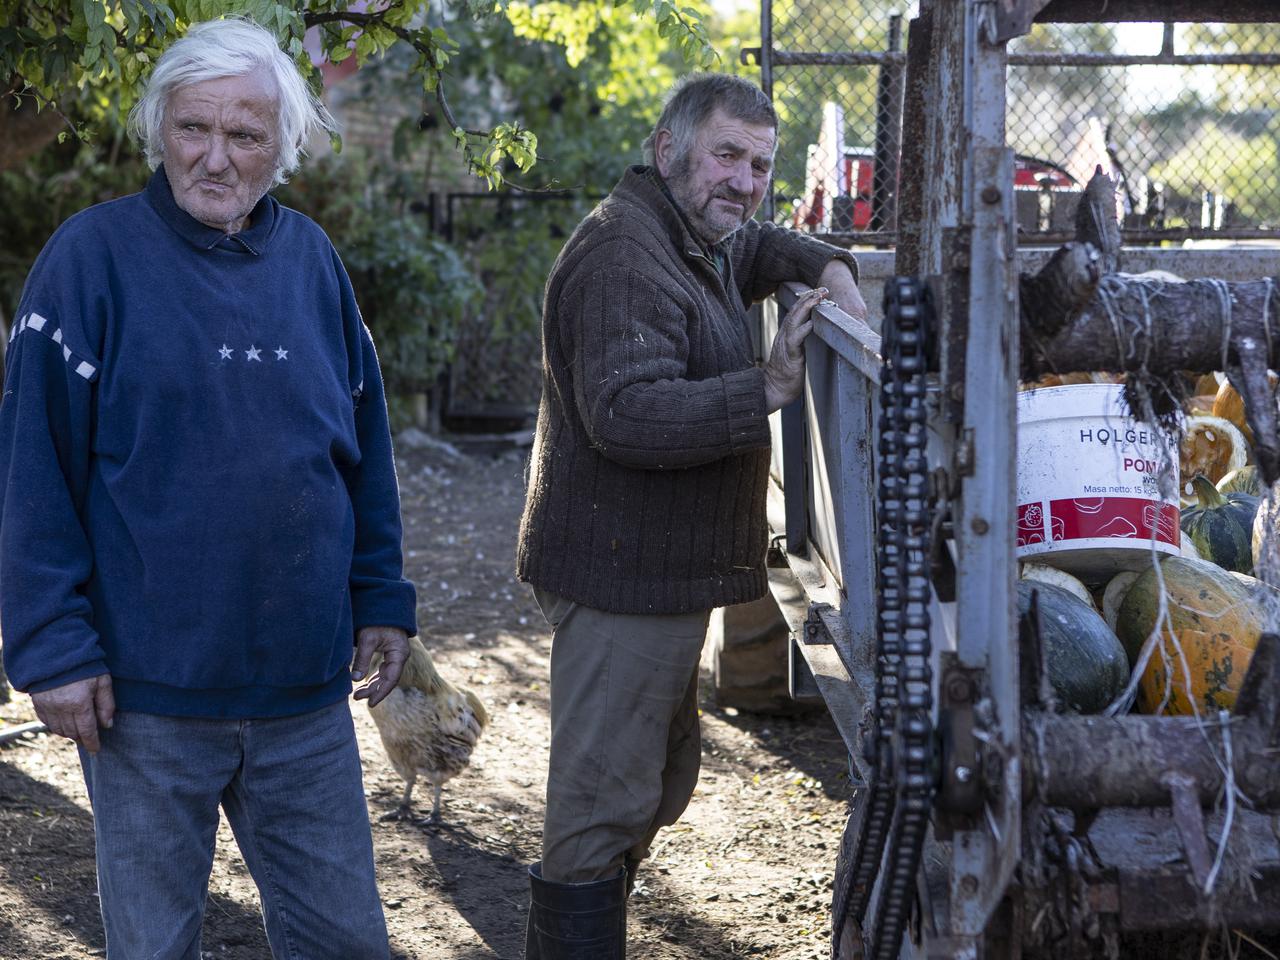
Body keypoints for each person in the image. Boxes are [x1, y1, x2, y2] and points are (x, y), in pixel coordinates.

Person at [0, 18, 416, 960]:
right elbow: (33, 472)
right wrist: (51, 648)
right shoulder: (89, 261)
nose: (215, 158)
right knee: (152, 950)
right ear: (159, 130)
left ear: (285, 147)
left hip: (304, 694)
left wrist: (382, 597)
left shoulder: (311, 262)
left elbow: (362, 443)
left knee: (347, 943)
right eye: (194, 128)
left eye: (245, 135)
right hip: (146, 700)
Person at [515, 72, 867, 958]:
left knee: (658, 782)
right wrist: (770, 387)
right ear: (668, 148)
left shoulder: (692, 238)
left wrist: (825, 263)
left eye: (759, 165)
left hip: (656, 576)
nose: (744, 182)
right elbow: (627, 414)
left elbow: (756, 250)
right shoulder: (623, 259)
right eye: (726, 156)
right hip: (618, 577)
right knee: (599, 811)